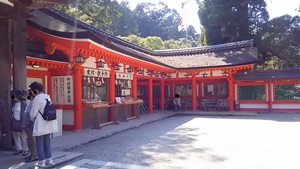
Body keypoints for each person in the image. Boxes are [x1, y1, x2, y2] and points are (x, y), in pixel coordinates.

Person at [29, 82, 58, 167]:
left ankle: (41, 161)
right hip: (49, 123)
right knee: (47, 141)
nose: (31, 92)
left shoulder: (37, 98)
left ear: (36, 90)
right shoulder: (47, 97)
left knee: (39, 142)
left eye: (32, 90)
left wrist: (32, 120)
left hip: (40, 124)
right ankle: (49, 159)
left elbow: (32, 113)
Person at [11, 90, 29, 156]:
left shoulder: (24, 103)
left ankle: (26, 150)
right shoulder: (14, 103)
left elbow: (26, 113)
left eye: (13, 95)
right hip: (15, 121)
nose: (12, 97)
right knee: (15, 135)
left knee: (23, 136)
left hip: (22, 121)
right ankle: (19, 149)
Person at [21, 89, 38, 162]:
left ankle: (34, 155)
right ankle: (31, 154)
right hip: (26, 126)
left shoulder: (34, 103)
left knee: (32, 141)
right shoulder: (29, 103)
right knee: (29, 141)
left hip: (31, 125)